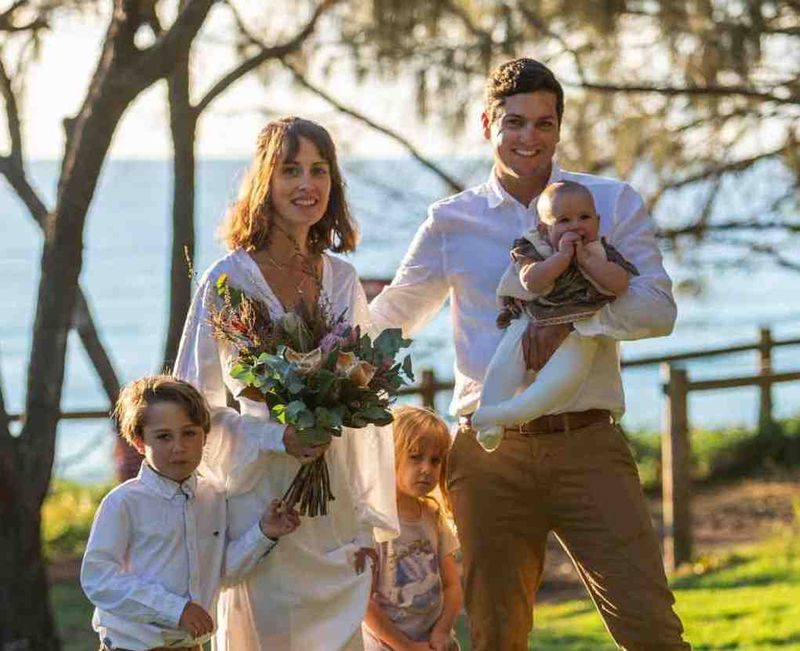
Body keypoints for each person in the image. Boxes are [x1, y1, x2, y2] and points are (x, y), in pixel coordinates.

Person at [370, 58, 690, 649]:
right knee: (496, 634)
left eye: (544, 124)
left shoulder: (611, 203)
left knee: (650, 625)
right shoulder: (451, 222)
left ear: (559, 127)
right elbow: (394, 317)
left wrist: (574, 321)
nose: (529, 138)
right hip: (488, 457)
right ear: (487, 124)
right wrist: (314, 339)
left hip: (589, 442)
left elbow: (657, 311)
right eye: (514, 123)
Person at [174, 116, 399, 650]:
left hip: (334, 502)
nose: (307, 184)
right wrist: (278, 436)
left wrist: (367, 520)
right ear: (265, 183)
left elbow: (367, 386)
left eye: (318, 170)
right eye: (290, 170)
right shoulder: (227, 280)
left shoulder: (342, 279)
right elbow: (193, 405)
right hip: (266, 505)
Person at [81, 375, 300, 651]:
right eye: (163, 436)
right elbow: (98, 579)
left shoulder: (214, 497)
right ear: (138, 442)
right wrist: (177, 610)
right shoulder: (123, 502)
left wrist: (264, 533)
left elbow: (221, 572)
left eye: (189, 433)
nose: (178, 447)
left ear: (204, 436)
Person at [471, 180, 638, 450]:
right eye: (563, 220)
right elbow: (532, 282)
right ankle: (490, 414)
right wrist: (561, 258)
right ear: (543, 228)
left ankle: (507, 414)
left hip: (579, 329)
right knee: (503, 366)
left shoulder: (601, 253)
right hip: (528, 322)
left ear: (597, 222)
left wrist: (588, 262)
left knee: (561, 382)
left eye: (584, 217)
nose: (575, 226)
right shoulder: (535, 248)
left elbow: (619, 284)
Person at [363, 406, 462, 651]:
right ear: (390, 455)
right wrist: (405, 646)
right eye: (415, 457)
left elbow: (452, 585)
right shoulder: (372, 522)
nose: (426, 468)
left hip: (434, 642)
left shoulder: (433, 517)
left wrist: (442, 631)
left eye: (435, 460)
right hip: (385, 644)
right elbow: (362, 603)